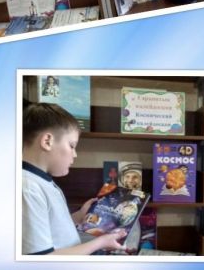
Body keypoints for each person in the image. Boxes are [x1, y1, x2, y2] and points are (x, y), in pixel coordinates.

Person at [22, 103, 127, 255]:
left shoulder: (41, 181)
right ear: (47, 141)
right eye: (72, 146)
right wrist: (100, 243)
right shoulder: (28, 188)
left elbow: (51, 228)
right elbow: (42, 259)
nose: (75, 154)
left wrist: (78, 217)